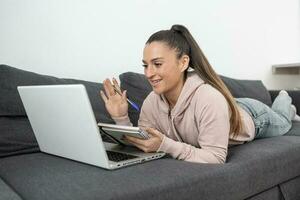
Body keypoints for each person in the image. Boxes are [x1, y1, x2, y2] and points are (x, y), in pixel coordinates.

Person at [100, 24, 299, 164]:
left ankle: (283, 98)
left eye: (157, 64)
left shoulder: (208, 98)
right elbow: (143, 143)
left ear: (183, 62)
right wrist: (121, 117)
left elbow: (215, 157)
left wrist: (165, 145)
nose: (149, 73)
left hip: (254, 117)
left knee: (284, 118)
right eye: (145, 65)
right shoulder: (152, 101)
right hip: (225, 109)